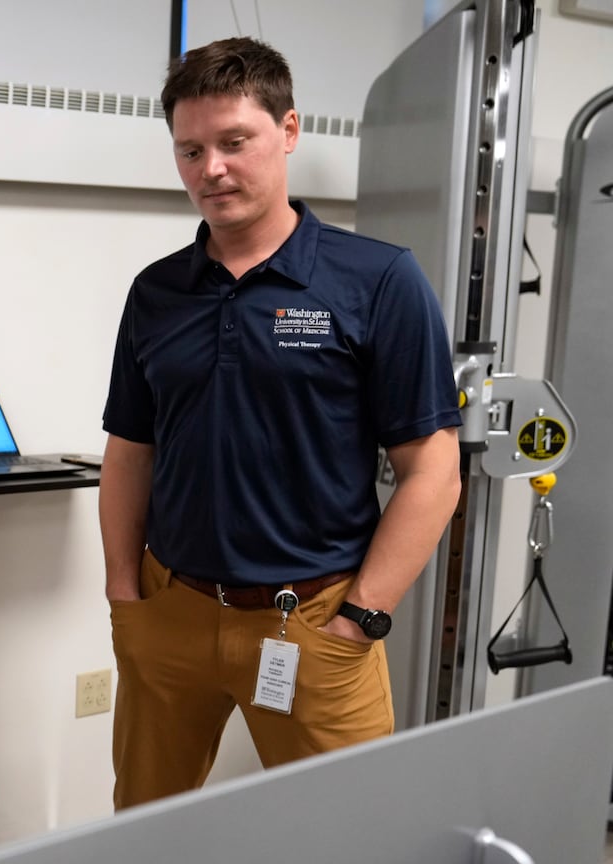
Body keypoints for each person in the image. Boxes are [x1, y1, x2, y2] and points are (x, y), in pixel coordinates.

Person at [100, 38, 462, 810]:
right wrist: (125, 597)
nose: (212, 169)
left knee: (348, 845)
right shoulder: (156, 292)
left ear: (288, 130)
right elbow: (130, 451)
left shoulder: (378, 280)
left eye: (235, 142)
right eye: (190, 150)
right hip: (172, 610)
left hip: (316, 620)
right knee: (139, 834)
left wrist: (362, 618)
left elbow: (433, 468)